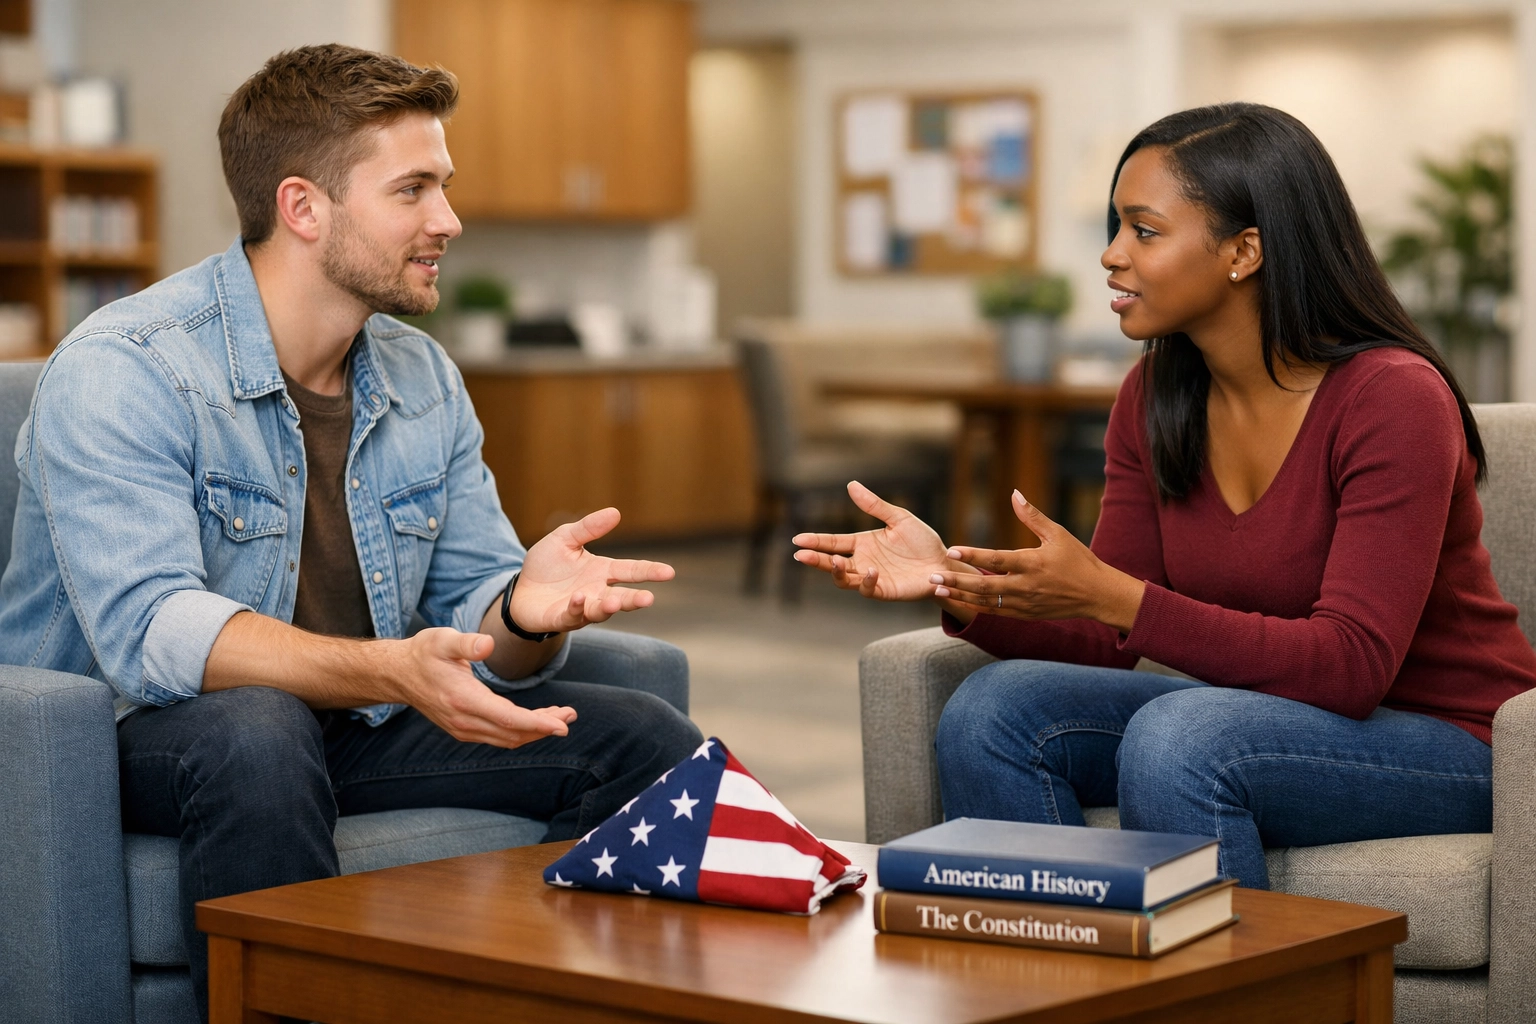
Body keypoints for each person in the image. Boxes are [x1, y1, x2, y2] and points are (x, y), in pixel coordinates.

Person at [0, 44, 701, 1012]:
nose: (447, 221)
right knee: (256, 727)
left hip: (349, 724)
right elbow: (150, 632)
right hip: (127, 736)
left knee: (639, 732)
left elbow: (480, 631)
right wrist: (387, 667)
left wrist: (525, 612)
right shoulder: (128, 369)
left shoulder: (421, 377)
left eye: (443, 187)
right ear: (303, 207)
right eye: (412, 190)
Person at [794, 103, 1536, 887]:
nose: (1111, 256)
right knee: (991, 714)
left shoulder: (1391, 397)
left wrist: (1119, 598)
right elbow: (1105, 629)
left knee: (1182, 734)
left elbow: (1350, 667)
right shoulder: (1155, 396)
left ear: (1243, 251)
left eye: (1143, 231)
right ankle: (1062, 990)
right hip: (1263, 718)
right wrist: (954, 578)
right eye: (1117, 227)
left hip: (1454, 741)